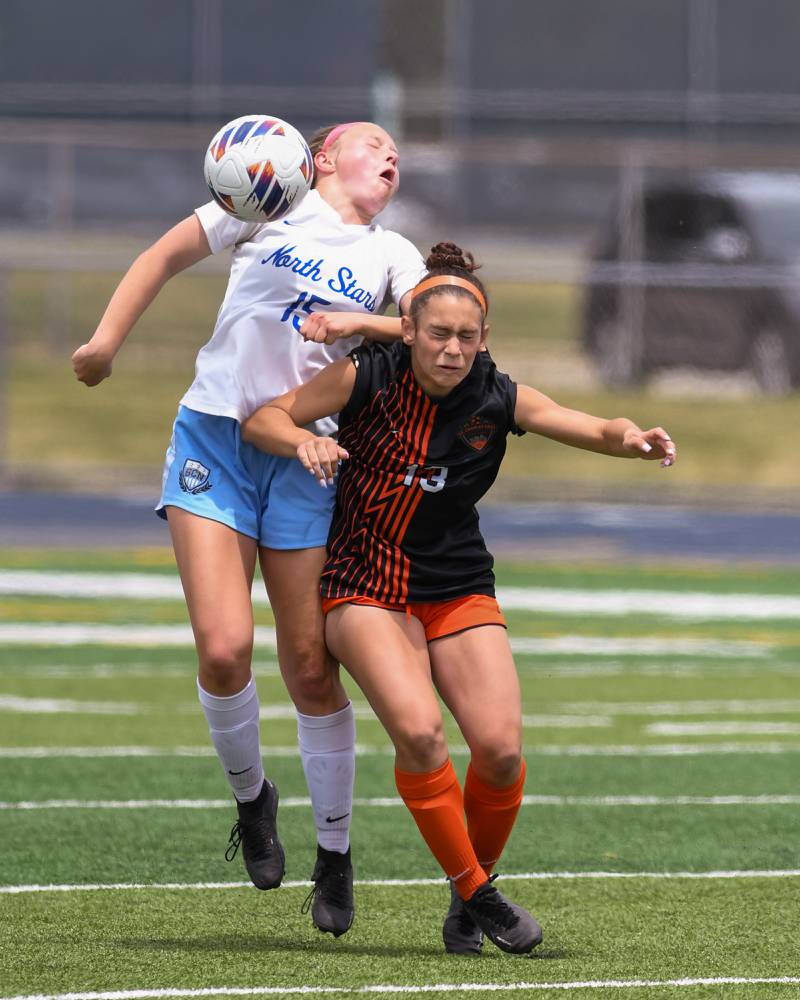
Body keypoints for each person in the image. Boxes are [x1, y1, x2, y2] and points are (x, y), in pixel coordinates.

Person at [240, 241, 677, 955]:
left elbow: (589, 425)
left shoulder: (495, 394)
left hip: (456, 584)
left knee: (501, 751)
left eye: (466, 337)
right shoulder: (367, 375)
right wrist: (299, 442)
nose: (451, 349)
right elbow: (265, 417)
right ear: (407, 330)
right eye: (437, 334)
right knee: (419, 734)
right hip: (366, 585)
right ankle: (479, 895)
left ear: (484, 340)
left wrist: (632, 439)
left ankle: (466, 898)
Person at [71, 121, 427, 938]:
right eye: (375, 142)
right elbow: (161, 256)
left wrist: (357, 325)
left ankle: (334, 854)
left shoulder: (392, 254)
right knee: (225, 649)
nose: (391, 154)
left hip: (309, 454)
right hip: (215, 438)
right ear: (323, 157)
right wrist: (104, 344)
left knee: (309, 668)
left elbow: (427, 324)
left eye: (397, 151)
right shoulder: (267, 200)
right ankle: (252, 801)